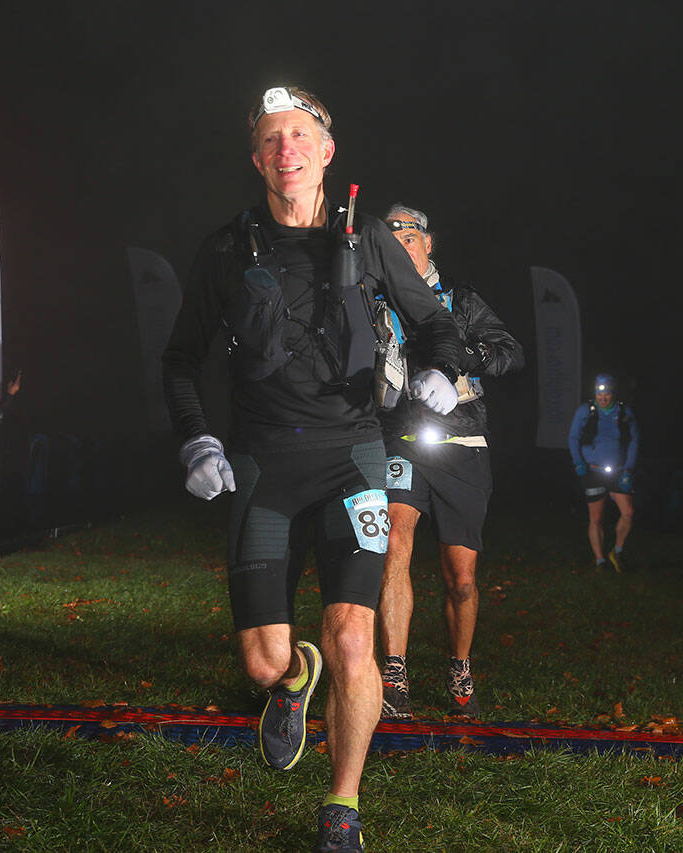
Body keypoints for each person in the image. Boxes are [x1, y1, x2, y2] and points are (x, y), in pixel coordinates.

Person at [162, 85, 463, 852]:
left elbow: (434, 322)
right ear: (256, 158)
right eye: (270, 139)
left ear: (327, 151)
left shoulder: (366, 242)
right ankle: (296, 677)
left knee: (354, 637)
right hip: (263, 464)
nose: (285, 150)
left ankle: (342, 808)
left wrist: (440, 371)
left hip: (352, 458)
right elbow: (180, 360)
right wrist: (196, 438)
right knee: (262, 659)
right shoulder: (226, 250)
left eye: (299, 135)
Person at [375, 204, 523, 721]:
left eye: (409, 234)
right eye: (389, 236)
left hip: (462, 443)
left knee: (460, 577)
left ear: (428, 242)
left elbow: (509, 350)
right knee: (394, 543)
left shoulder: (459, 299)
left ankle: (459, 669)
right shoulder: (374, 298)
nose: (400, 243)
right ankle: (393, 675)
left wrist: (462, 359)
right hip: (401, 440)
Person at [568, 373, 640, 570]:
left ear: (613, 393)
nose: (603, 397)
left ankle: (617, 551)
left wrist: (628, 469)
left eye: (606, 393)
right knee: (596, 518)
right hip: (593, 471)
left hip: (618, 471)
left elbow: (634, 439)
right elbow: (573, 438)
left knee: (628, 512)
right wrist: (579, 463)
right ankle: (600, 560)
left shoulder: (624, 412)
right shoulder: (586, 411)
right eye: (600, 393)